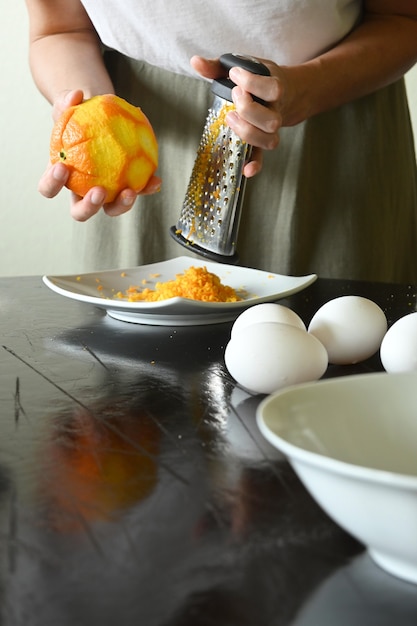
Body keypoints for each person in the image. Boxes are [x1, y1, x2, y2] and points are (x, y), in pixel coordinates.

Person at [25, 0, 417, 282]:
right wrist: (91, 120)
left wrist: (308, 89)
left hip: (332, 122)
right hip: (143, 136)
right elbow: (61, 28)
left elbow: (402, 17)